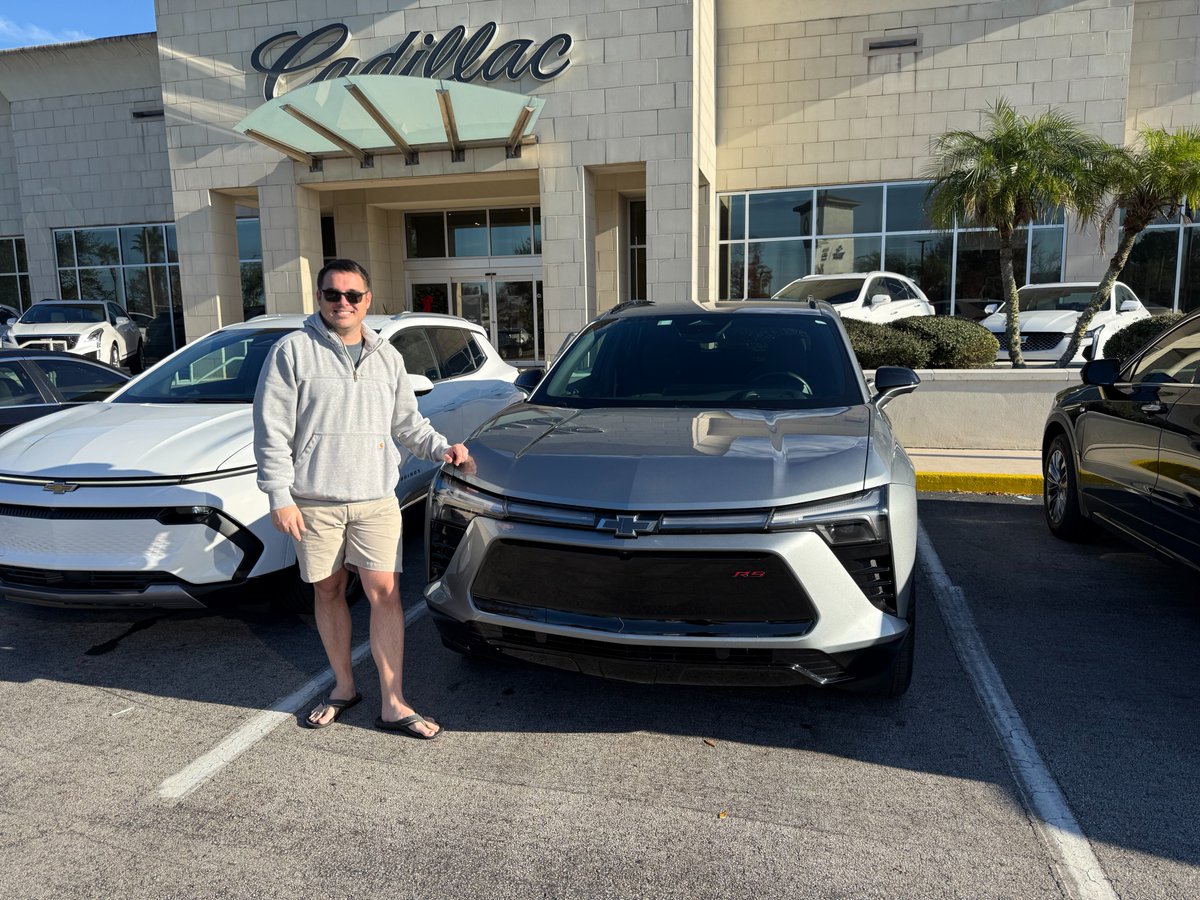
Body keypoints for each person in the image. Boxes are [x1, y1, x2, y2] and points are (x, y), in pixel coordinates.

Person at [253, 258, 469, 739]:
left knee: (385, 594)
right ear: (319, 297)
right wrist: (279, 496)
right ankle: (344, 687)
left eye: (353, 295)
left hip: (375, 498)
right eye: (333, 294)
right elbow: (271, 431)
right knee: (328, 591)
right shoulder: (293, 352)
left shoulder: (387, 356)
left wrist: (441, 448)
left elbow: (408, 424)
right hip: (315, 501)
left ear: (367, 300)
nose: (343, 303)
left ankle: (393, 703)